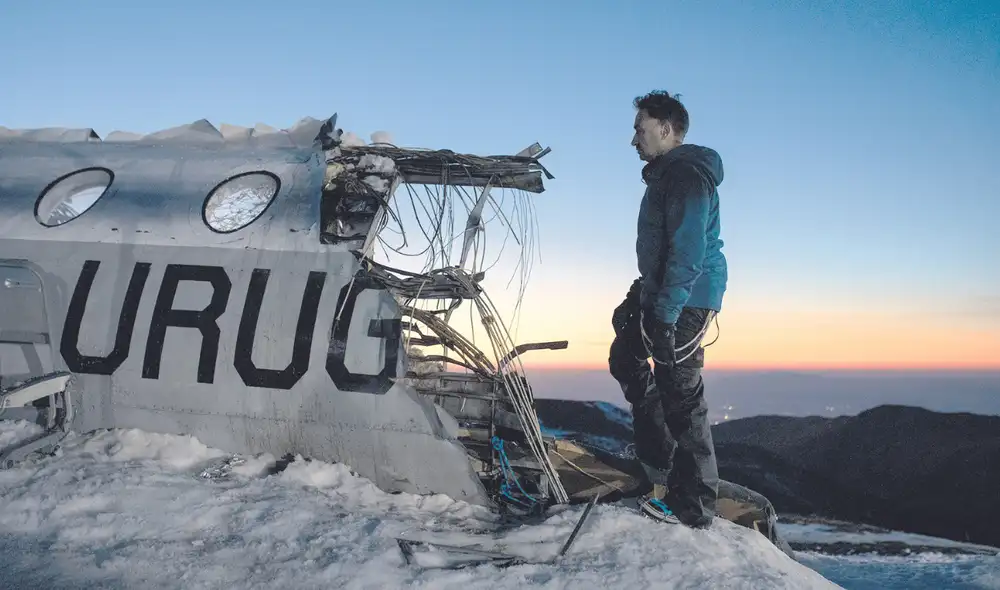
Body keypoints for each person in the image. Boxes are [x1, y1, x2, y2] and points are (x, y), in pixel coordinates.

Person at [608, 90, 727, 528]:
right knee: (627, 358)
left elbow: (688, 254)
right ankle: (660, 461)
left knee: (679, 387)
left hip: (688, 296)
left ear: (665, 129)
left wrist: (665, 315)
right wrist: (637, 296)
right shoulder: (665, 176)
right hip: (665, 293)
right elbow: (662, 252)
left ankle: (694, 505)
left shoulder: (687, 176)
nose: (633, 139)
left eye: (639, 129)